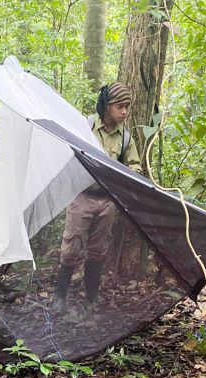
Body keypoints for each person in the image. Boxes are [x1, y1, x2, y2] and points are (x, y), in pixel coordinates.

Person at [53, 83, 142, 313]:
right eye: (120, 106)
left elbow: (135, 166)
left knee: (98, 250)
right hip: (82, 195)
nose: (124, 112)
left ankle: (90, 298)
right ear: (107, 106)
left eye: (127, 107)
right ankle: (59, 296)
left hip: (107, 201)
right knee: (71, 246)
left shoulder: (125, 139)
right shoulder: (86, 126)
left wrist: (130, 174)